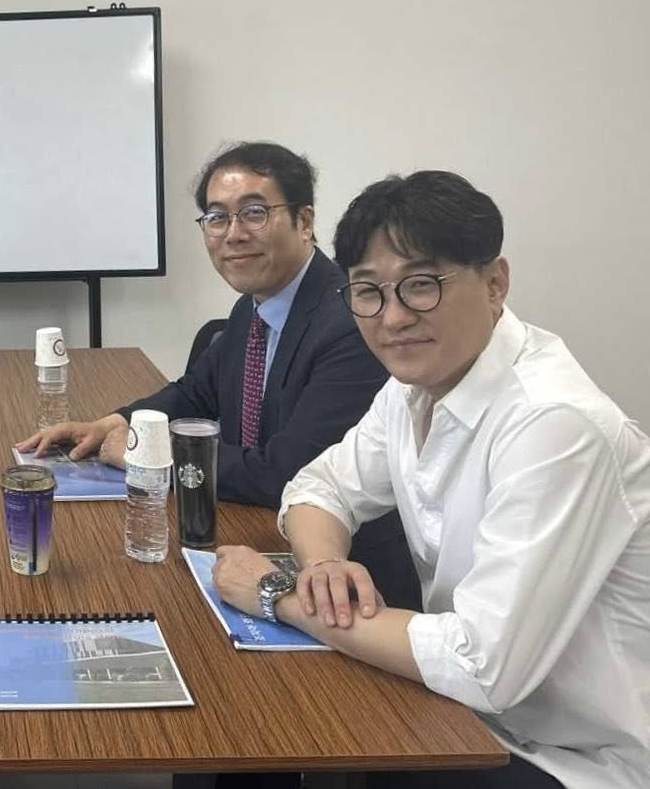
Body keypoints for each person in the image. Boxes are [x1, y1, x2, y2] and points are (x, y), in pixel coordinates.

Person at [213, 171, 650, 788]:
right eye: (368, 292)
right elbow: (318, 487)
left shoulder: (555, 424)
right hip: (466, 715)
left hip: (576, 757)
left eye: (421, 285)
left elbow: (481, 664)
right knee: (261, 716)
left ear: (495, 283)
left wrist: (277, 595)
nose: (393, 318)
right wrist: (322, 567)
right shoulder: (412, 388)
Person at [20, 141, 417, 612]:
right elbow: (195, 393)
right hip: (257, 541)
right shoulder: (255, 306)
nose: (233, 234)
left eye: (254, 213)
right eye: (217, 218)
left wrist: (144, 455)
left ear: (305, 221)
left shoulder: (351, 320)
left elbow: (284, 473)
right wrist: (111, 422)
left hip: (354, 586)